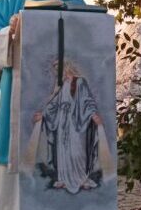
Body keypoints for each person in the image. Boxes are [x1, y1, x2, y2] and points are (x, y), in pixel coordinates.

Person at [0, 0, 85, 210]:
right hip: (19, 85)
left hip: (62, 88)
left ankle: (60, 209)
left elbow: (88, 39)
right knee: (20, 141)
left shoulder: (75, 3)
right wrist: (10, 31)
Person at [32, 61, 104, 194]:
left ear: (66, 67)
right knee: (63, 151)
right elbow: (54, 103)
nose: (58, 73)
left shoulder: (80, 82)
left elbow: (87, 100)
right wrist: (43, 114)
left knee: (78, 150)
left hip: (77, 121)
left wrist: (93, 114)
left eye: (59, 69)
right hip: (62, 122)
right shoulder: (63, 84)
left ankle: (81, 178)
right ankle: (64, 178)